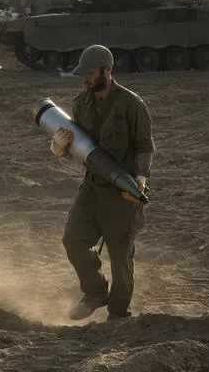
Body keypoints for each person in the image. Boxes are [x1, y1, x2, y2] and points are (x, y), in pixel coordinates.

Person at [50, 44, 155, 322]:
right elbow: (80, 146)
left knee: (121, 259)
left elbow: (145, 148)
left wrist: (141, 181)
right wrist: (59, 148)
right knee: (73, 239)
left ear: (107, 70)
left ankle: (119, 315)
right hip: (93, 187)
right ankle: (95, 292)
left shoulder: (132, 105)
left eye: (90, 73)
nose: (85, 79)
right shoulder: (80, 103)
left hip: (124, 192)